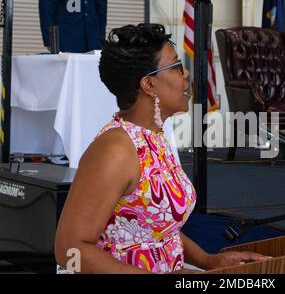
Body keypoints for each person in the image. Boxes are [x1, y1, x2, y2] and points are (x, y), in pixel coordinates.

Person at [54, 23, 270, 274]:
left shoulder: (154, 137)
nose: (186, 74)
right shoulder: (115, 151)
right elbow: (68, 250)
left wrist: (208, 261)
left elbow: (156, 227)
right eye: (177, 67)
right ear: (148, 84)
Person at [39, 0, 107, 53]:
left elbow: (101, 6)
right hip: (65, 39)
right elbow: (46, 7)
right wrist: (50, 41)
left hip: (93, 39)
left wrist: (101, 38)